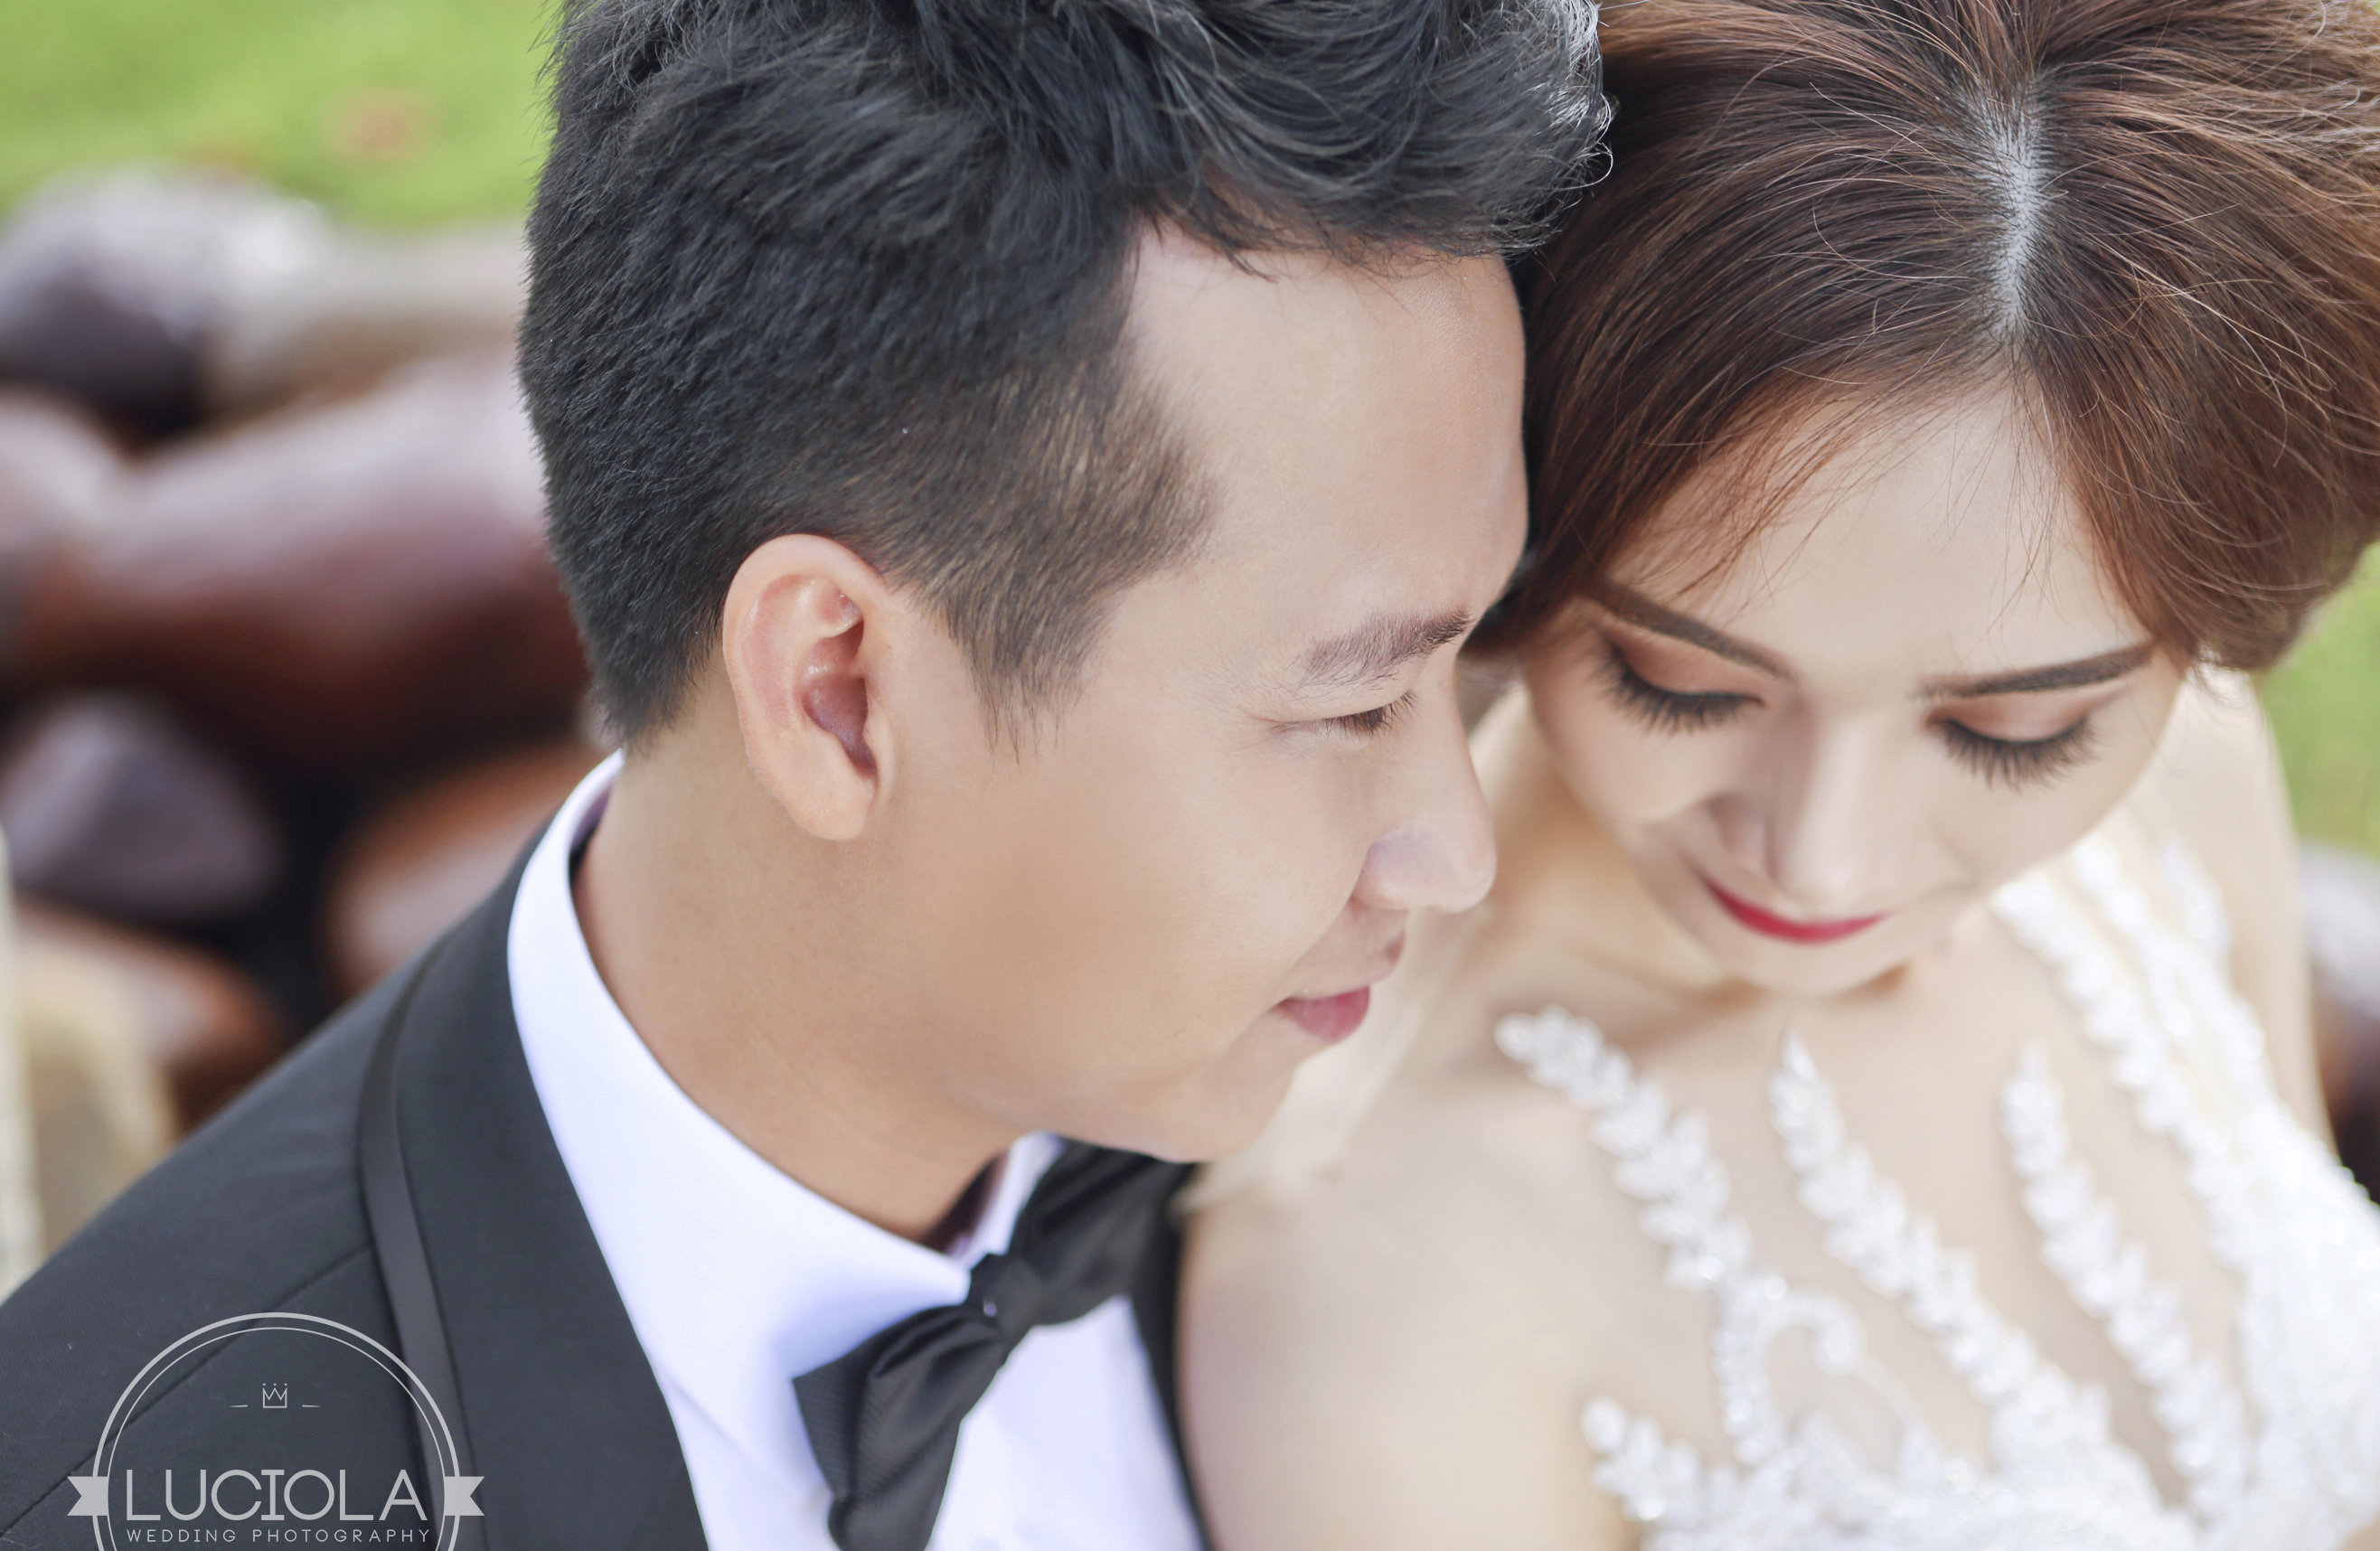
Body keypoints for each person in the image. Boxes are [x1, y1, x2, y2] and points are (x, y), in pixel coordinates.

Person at [0, 0, 1610, 1546]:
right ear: (837, 693)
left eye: (1461, 666)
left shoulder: (1363, 1140)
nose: (1454, 850)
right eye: (1355, 706)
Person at [1181, 0, 2380, 1546]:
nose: (1823, 859)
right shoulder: (1376, 1275)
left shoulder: (2185, 796)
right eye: (1680, 684)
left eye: (2011, 734)